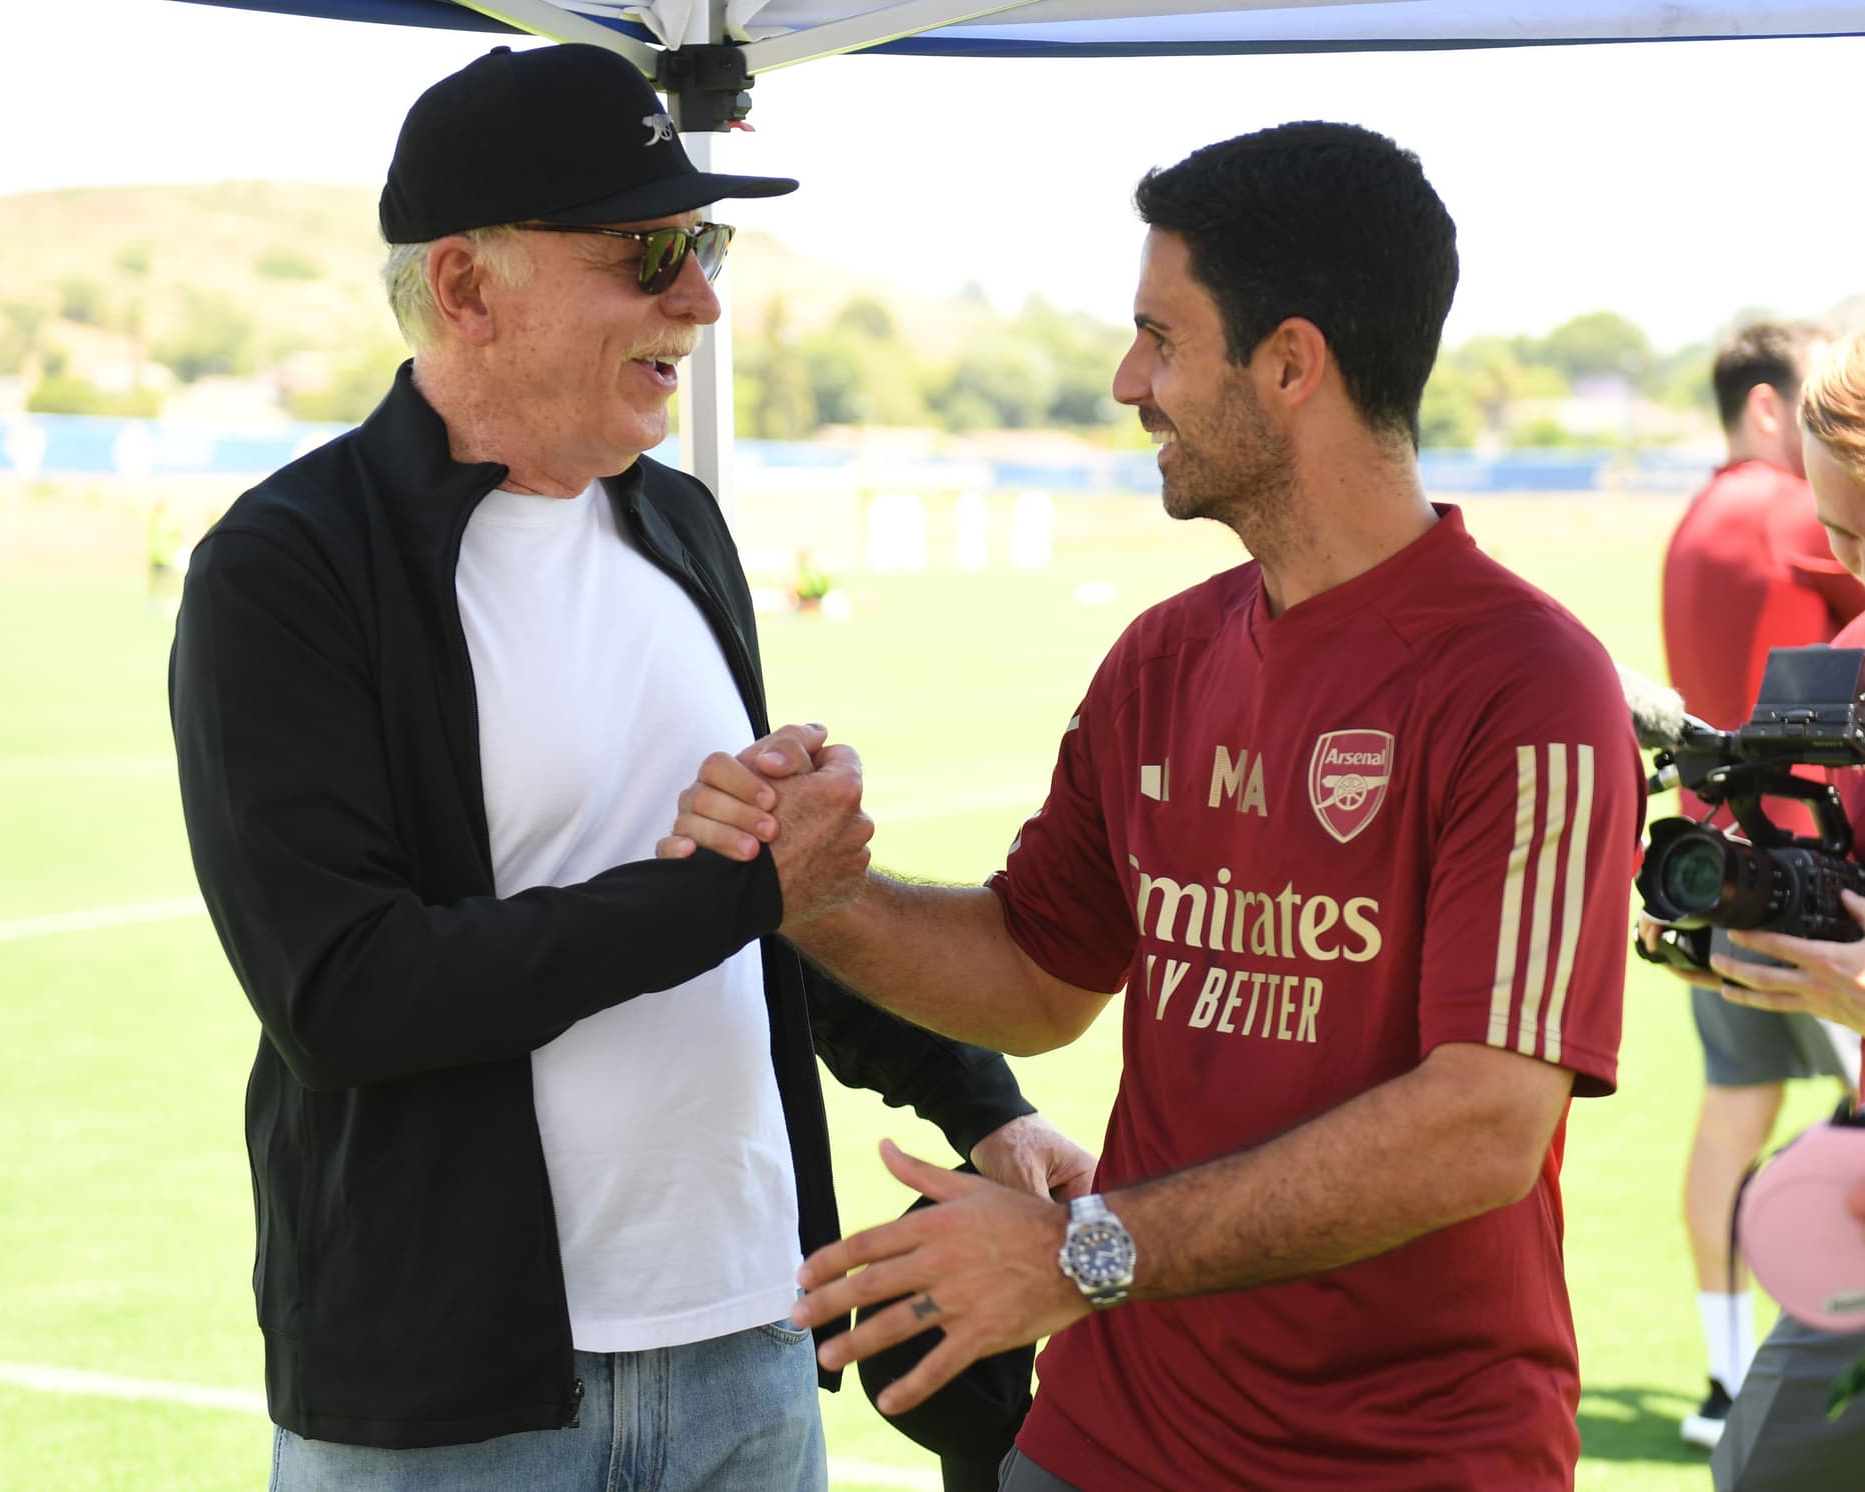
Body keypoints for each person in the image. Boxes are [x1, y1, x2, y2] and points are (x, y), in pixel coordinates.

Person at [662, 122, 1644, 1489]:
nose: (1129, 382)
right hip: (1105, 1442)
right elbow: (1035, 972)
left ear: (1292, 363)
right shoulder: (1167, 656)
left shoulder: (1527, 685)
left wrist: (1087, 1252)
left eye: (1161, 339)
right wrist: (813, 892)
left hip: (1406, 1460)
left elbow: (1483, 1122)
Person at [168, 43, 1090, 1492]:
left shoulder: (682, 528)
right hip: (454, 1402)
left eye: (703, 241)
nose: (702, 298)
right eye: (648, 250)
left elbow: (770, 914)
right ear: (467, 286)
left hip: (748, 1345)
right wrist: (733, 893)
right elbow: (343, 994)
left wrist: (982, 1103)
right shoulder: (289, 569)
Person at [1655, 320, 1864, 1450]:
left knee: (1729, 1126)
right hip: (1805, 888)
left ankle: (1720, 1369)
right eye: (1839, 531)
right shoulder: (1805, 542)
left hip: (1740, 859)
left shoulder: (1695, 518)